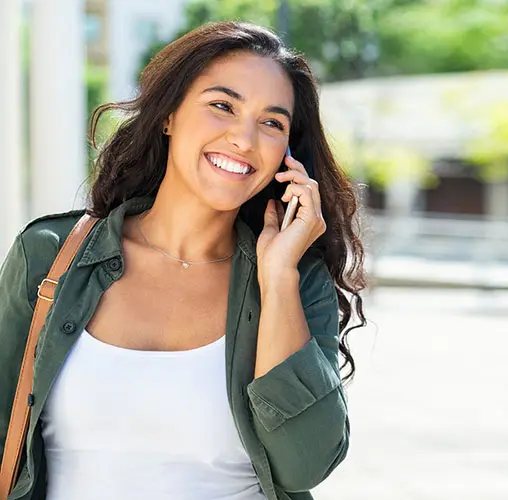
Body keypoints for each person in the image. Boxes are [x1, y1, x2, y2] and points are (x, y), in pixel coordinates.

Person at [0, 21, 366, 500]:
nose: (244, 138)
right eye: (222, 106)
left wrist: (277, 278)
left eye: (272, 123)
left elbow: (306, 465)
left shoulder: (296, 280)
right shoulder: (50, 255)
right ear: (169, 113)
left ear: (287, 155)